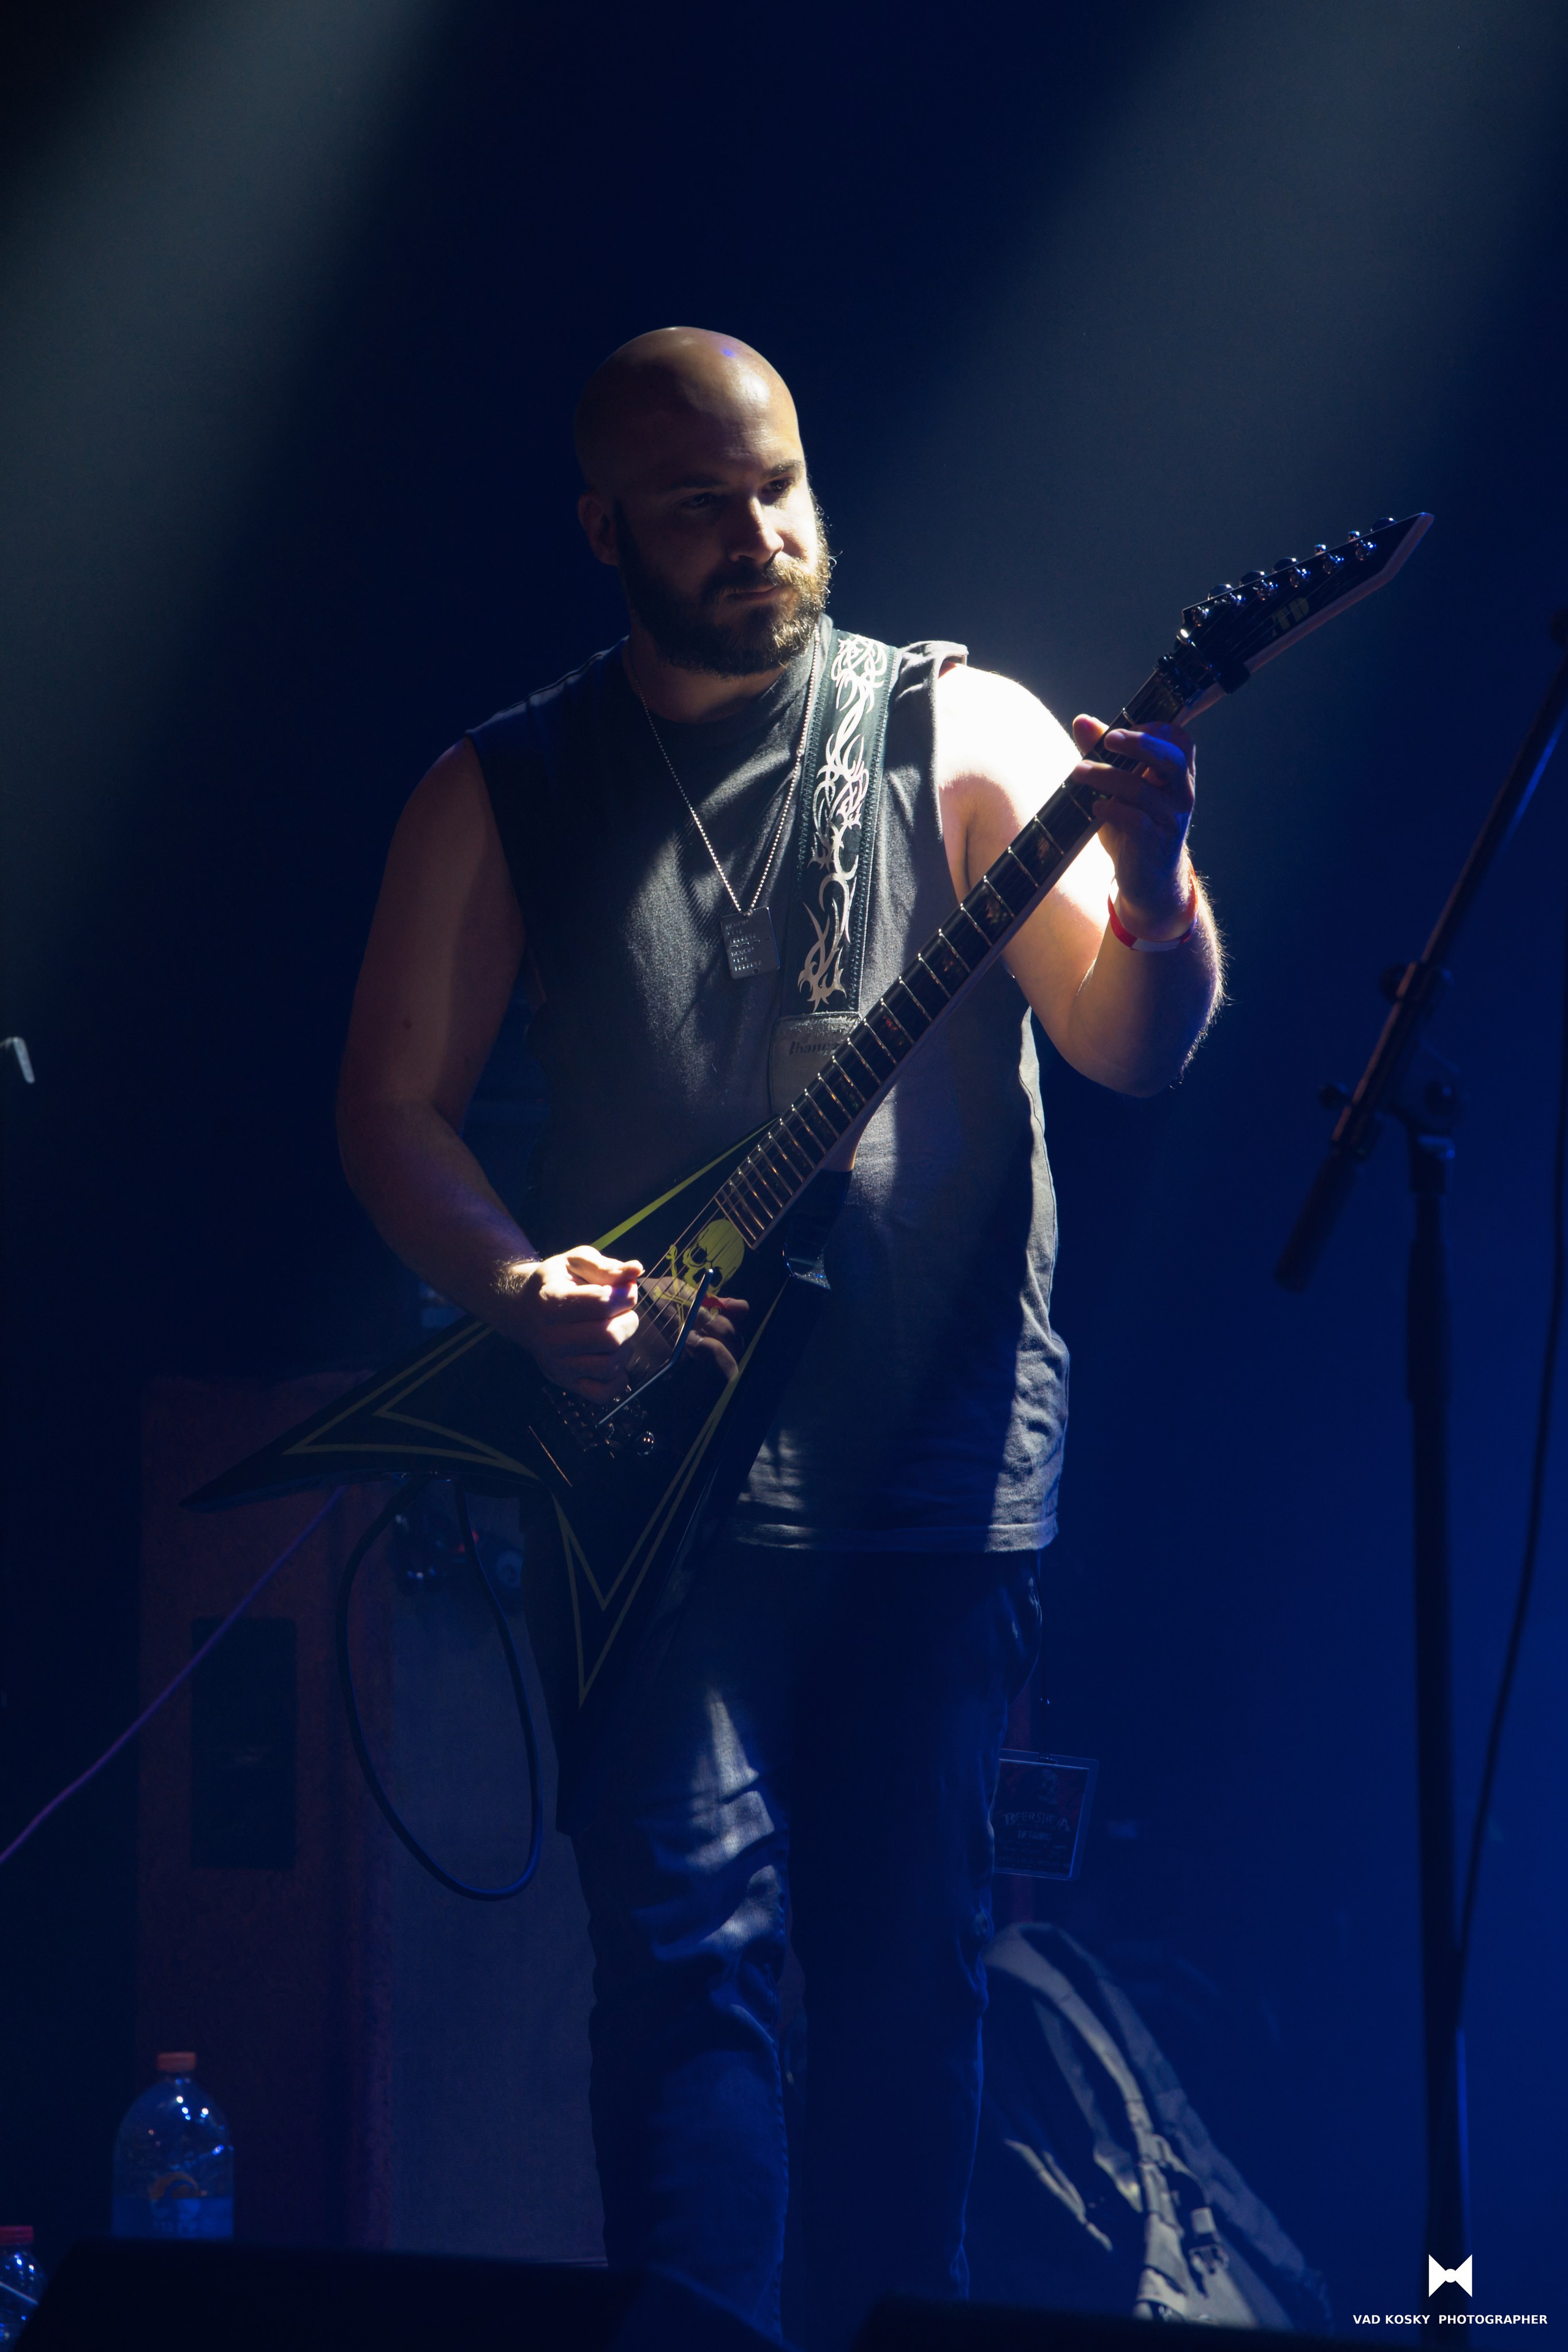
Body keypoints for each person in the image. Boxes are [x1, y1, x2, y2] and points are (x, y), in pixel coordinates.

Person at [335, 327, 1221, 2347]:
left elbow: (1130, 1046)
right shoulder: (507, 786)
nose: (757, 536)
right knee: (688, 1973)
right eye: (695, 507)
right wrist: (511, 1286)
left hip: (933, 1491)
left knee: (912, 1997)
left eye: (778, 487)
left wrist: (1157, 884)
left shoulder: (956, 725)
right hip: (661, 1508)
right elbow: (390, 1107)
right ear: (601, 530)